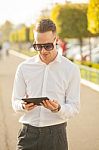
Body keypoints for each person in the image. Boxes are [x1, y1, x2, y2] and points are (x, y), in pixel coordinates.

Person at [12, 18, 80, 150]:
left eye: (48, 46)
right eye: (38, 46)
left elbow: (74, 107)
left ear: (56, 40)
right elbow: (15, 102)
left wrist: (58, 109)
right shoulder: (23, 67)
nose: (43, 51)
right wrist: (22, 105)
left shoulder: (71, 69)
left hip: (56, 136)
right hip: (28, 135)